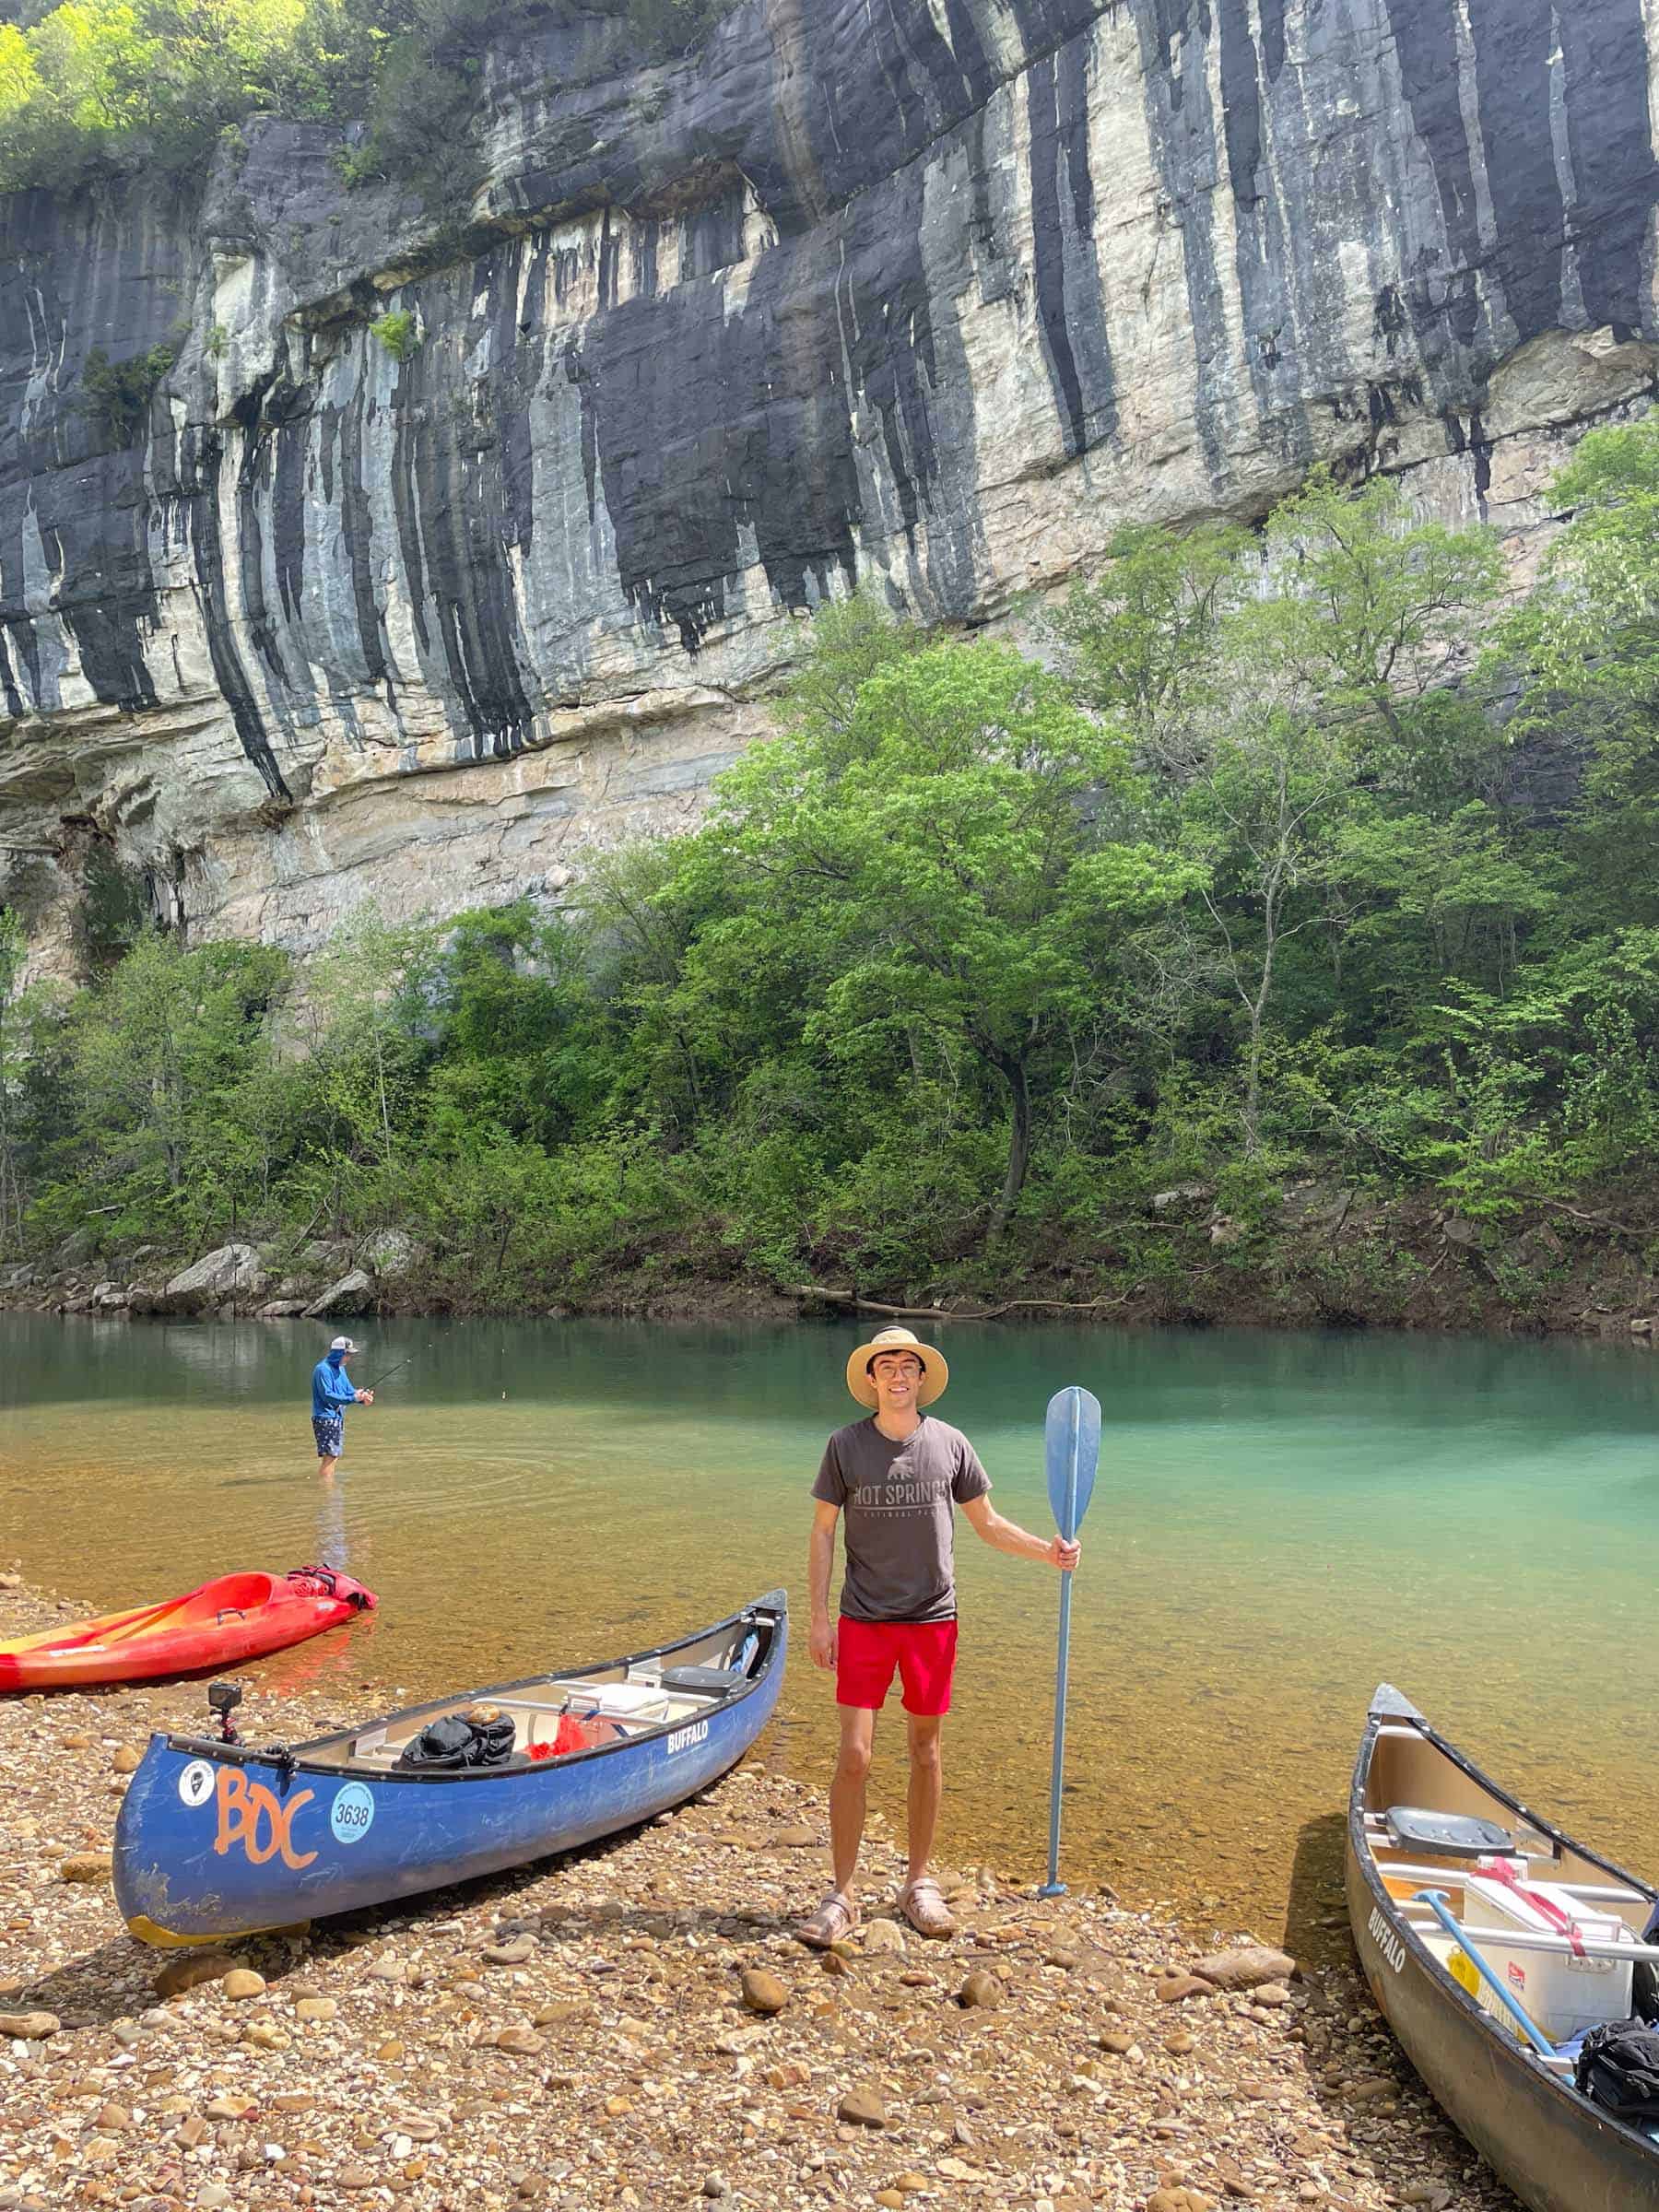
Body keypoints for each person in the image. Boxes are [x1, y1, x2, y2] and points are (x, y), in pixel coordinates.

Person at [798, 1325, 1081, 1947]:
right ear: (870, 1379)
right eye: (887, 1367)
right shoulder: (844, 1446)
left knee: (926, 1751)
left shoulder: (950, 1444)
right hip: (864, 1620)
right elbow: (822, 1532)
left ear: (921, 1378)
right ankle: (841, 1895)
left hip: (932, 1621)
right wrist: (817, 1617)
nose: (899, 1376)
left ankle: (917, 1884)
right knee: (855, 1757)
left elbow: (987, 1524)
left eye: (909, 1366)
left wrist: (1048, 1552)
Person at [312, 1335, 373, 1481]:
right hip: (325, 1418)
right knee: (331, 1457)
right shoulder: (322, 1369)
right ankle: (327, 1490)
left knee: (334, 1456)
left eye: (350, 1355)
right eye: (347, 1354)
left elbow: (348, 1391)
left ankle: (328, 1486)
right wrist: (353, 1398)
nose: (349, 1358)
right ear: (337, 1353)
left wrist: (362, 1398)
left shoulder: (341, 1369)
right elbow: (328, 1395)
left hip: (336, 1417)